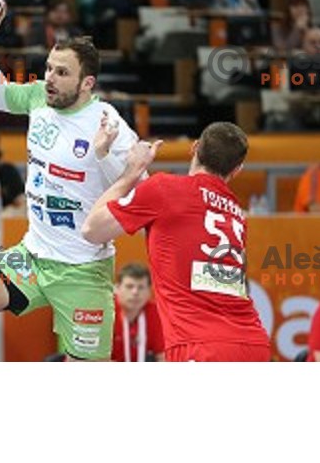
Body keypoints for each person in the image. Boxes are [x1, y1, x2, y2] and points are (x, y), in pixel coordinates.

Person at [0, 13, 140, 362]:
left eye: (62, 73)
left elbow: (140, 193)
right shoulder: (38, 98)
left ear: (86, 83)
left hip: (83, 270)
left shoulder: (109, 124)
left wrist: (105, 157)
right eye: (48, 68)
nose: (49, 79)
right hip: (31, 257)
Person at [83, 122, 271, 362]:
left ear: (194, 148)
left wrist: (132, 170)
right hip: (253, 343)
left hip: (199, 346)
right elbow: (167, 230)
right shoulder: (236, 214)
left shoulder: (164, 189)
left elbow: (91, 230)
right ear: (237, 170)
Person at [112, 263, 164, 362]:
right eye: (129, 286)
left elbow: (163, 356)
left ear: (149, 291)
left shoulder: (156, 314)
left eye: (141, 287)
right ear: (117, 288)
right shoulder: (106, 312)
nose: (135, 292)